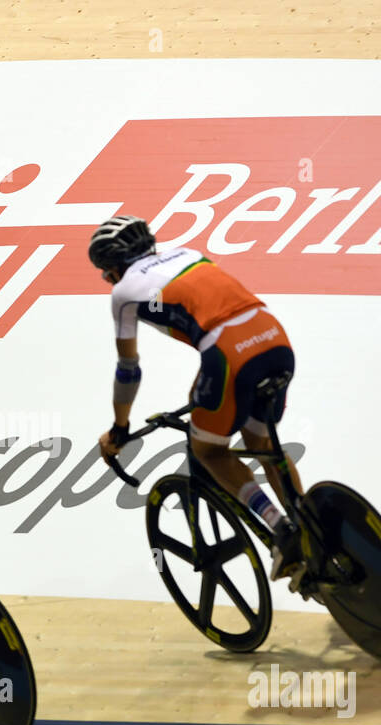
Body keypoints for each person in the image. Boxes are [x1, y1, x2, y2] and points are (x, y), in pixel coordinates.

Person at [89, 216, 308, 584]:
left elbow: (129, 369)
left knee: (209, 450)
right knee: (263, 443)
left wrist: (120, 428)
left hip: (229, 353)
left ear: (112, 268)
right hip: (273, 337)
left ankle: (281, 529)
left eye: (105, 273)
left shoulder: (123, 292)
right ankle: (310, 529)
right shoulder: (189, 253)